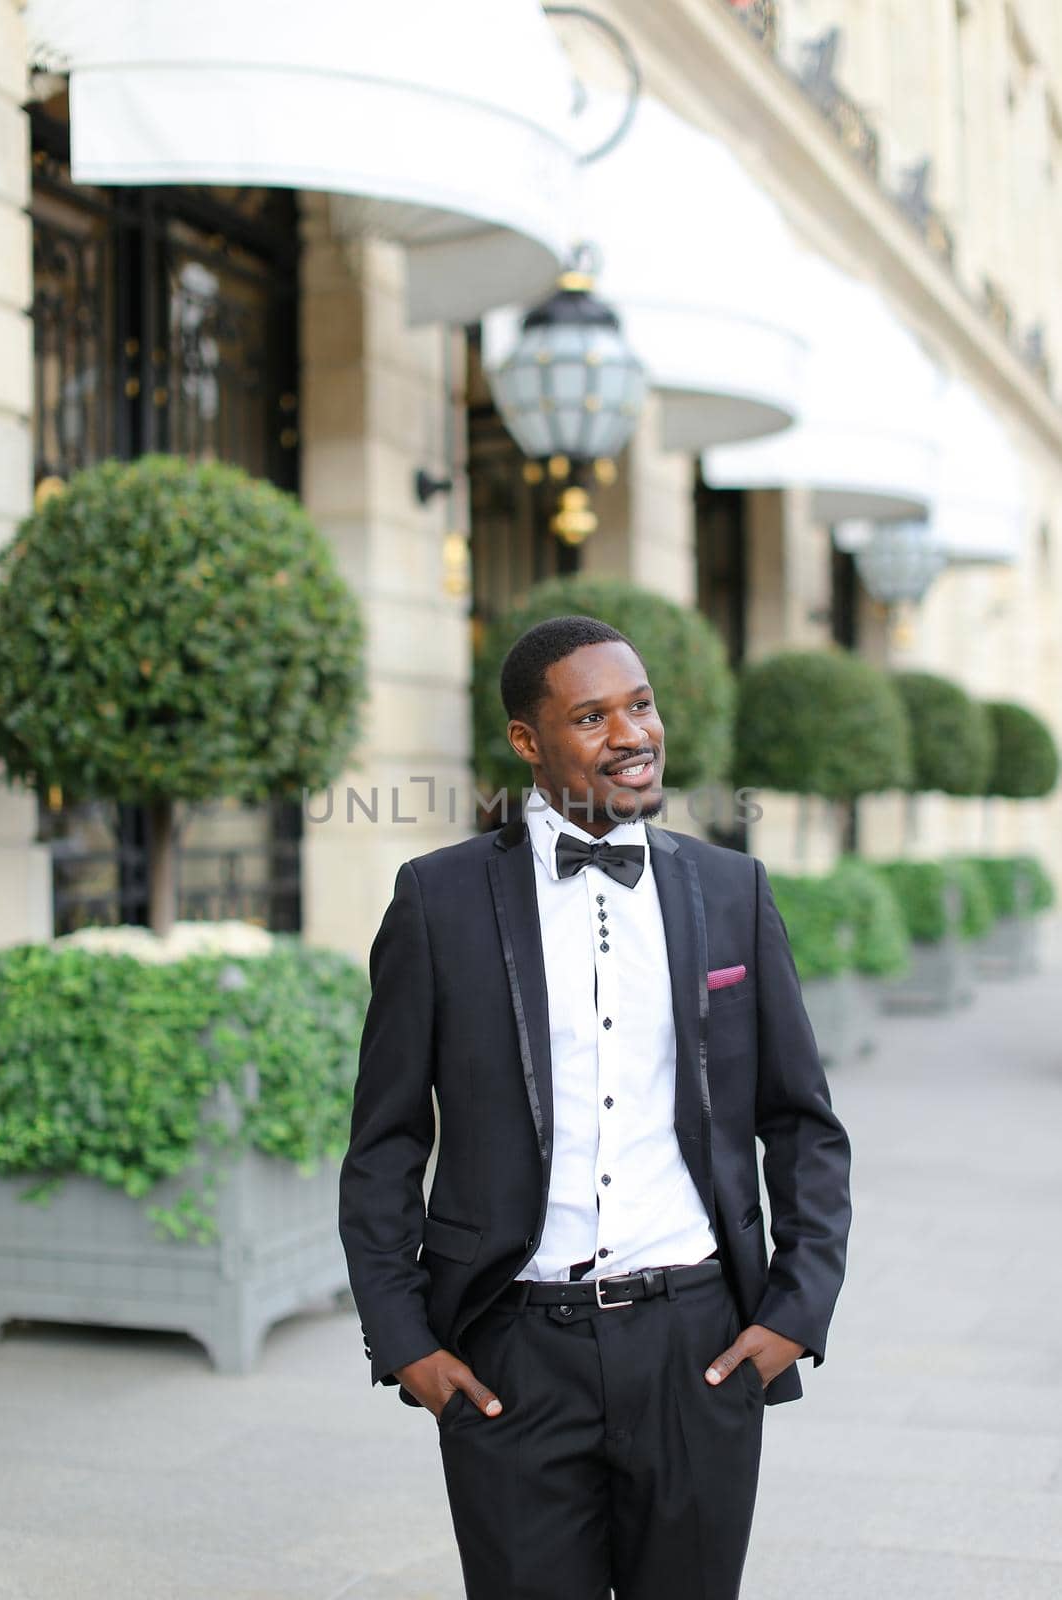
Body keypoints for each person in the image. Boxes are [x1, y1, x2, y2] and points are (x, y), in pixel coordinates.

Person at [338, 614, 852, 1600]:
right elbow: (385, 1142)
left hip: (697, 1348)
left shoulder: (731, 887)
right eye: (590, 715)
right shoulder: (435, 901)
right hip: (511, 1354)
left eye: (640, 704)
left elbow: (799, 1121)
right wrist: (405, 1343)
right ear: (527, 741)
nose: (631, 733)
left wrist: (794, 1310)